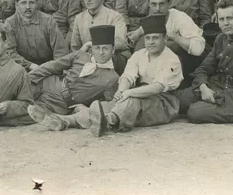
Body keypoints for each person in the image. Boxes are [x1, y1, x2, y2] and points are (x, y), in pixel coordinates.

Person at [37, 16, 184, 135]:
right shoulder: (139, 55)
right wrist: (121, 91)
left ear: (165, 39)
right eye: (148, 38)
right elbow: (128, 75)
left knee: (131, 101)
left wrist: (127, 92)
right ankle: (64, 121)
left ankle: (107, 122)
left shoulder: (172, 59)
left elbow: (157, 88)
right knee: (105, 106)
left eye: (155, 38)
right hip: (138, 94)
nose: (151, 42)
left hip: (163, 102)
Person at [26, 25, 120, 130]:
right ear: (92, 48)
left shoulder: (113, 79)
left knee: (26, 114)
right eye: (97, 48)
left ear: (113, 50)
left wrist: (88, 109)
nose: (101, 52)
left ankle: (57, 120)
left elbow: (107, 104)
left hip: (61, 105)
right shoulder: (80, 55)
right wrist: (27, 79)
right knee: (17, 90)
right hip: (48, 84)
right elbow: (52, 66)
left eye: (105, 48)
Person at [130, 0, 206, 81]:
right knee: (142, 44)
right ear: (149, 4)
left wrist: (174, 36)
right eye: (154, 4)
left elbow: (198, 49)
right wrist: (137, 33)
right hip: (161, 64)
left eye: (161, 4)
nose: (157, 9)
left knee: (167, 44)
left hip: (185, 62)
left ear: (169, 4)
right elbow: (142, 31)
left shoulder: (180, 18)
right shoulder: (153, 17)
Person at [2, 0, 69, 71]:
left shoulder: (48, 20)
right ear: (16, 5)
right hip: (21, 69)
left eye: (31, 2)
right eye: (23, 3)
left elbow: (60, 50)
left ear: (37, 4)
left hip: (49, 67)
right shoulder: (10, 23)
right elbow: (10, 52)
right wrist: (29, 65)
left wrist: (56, 69)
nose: (28, 7)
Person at [71, 0, 129, 73]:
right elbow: (75, 46)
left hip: (112, 57)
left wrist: (93, 44)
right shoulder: (79, 18)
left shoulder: (115, 17)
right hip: (88, 58)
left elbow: (121, 42)